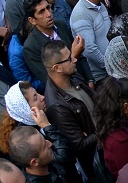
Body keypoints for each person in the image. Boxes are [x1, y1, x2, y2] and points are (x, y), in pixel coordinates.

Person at [40, 38, 99, 178]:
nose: (74, 59)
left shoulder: (73, 76)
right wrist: (105, 129)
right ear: (57, 68)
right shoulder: (57, 106)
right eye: (69, 58)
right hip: (98, 159)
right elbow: (80, 145)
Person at [69, 0, 111, 81]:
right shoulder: (80, 14)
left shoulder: (100, 5)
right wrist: (109, 66)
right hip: (103, 76)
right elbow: (89, 49)